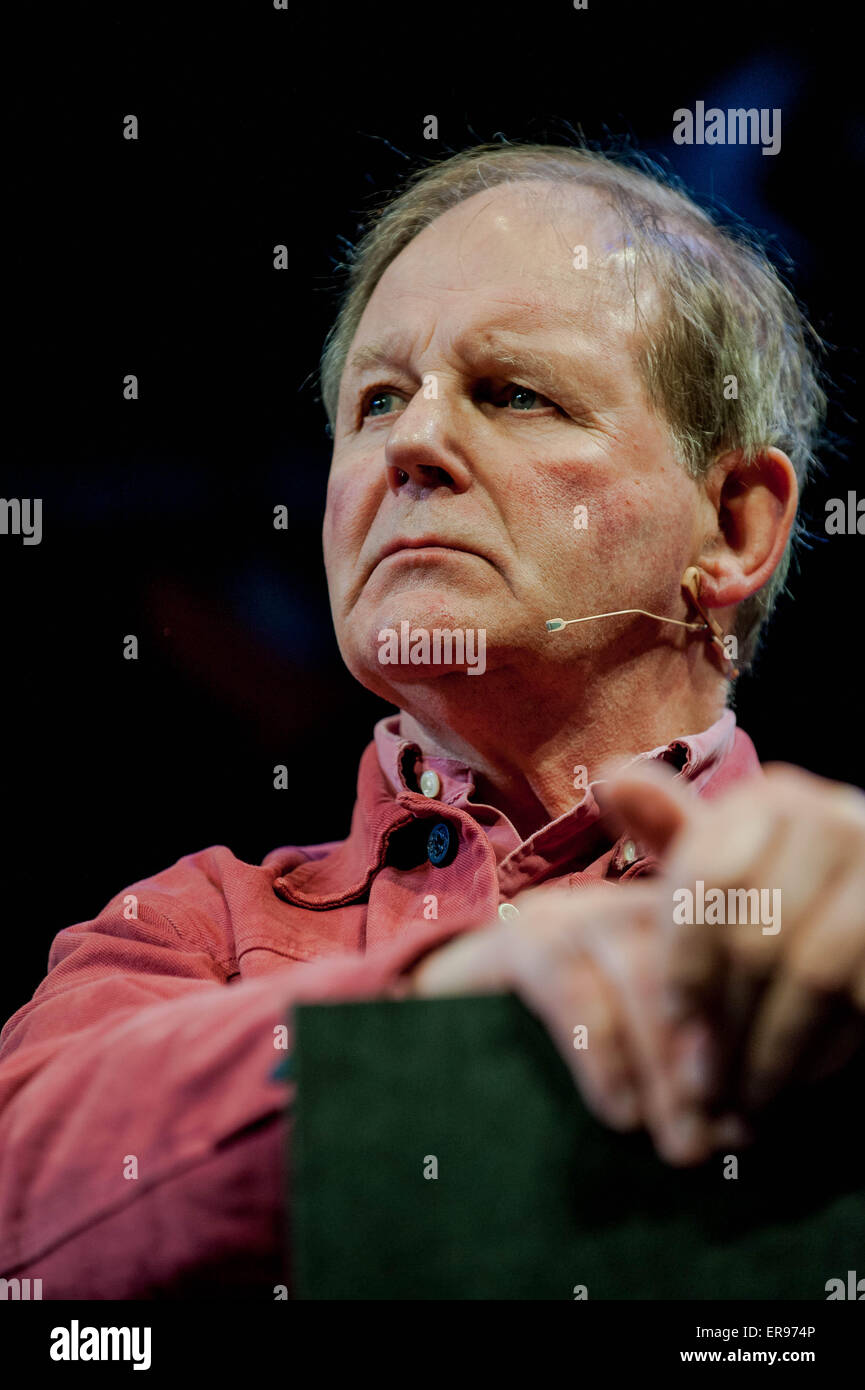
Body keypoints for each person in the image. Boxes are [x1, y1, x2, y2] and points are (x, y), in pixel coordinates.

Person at [2, 142, 863, 1298]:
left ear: (733, 526)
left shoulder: (842, 904)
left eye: (513, 392)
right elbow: (26, 1193)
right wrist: (449, 1003)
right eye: (375, 400)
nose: (406, 446)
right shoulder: (188, 925)